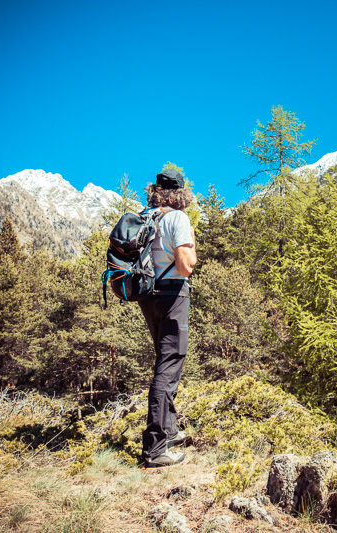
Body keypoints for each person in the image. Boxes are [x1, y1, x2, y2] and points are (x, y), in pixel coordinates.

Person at [138, 168, 197, 468]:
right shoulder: (178, 218)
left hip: (147, 296)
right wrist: (192, 247)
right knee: (170, 364)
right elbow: (186, 266)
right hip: (173, 293)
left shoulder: (144, 215)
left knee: (164, 360)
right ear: (179, 193)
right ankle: (156, 448)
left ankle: (170, 431)